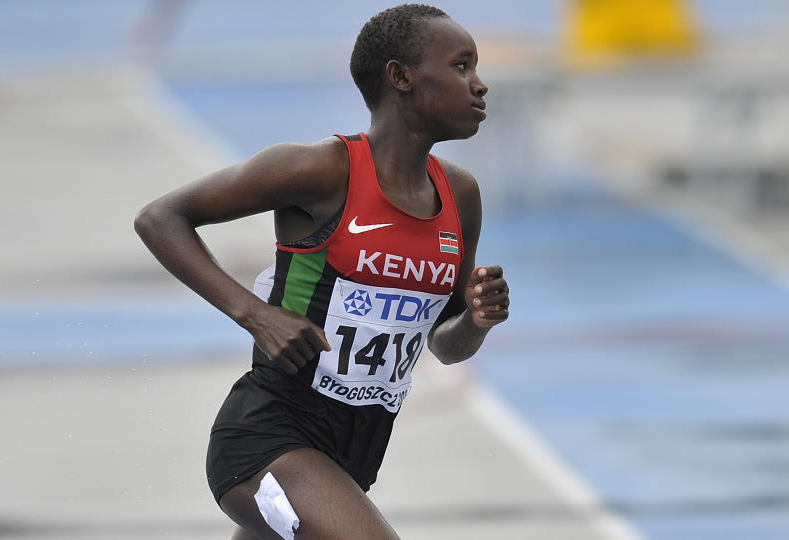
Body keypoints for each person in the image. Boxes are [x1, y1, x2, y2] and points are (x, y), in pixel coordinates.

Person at [134, 4, 509, 539]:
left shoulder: (460, 196)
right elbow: (160, 218)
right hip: (269, 438)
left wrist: (476, 318)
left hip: (352, 459)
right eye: (461, 66)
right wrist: (256, 315)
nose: (479, 85)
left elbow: (445, 344)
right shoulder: (321, 171)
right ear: (400, 77)